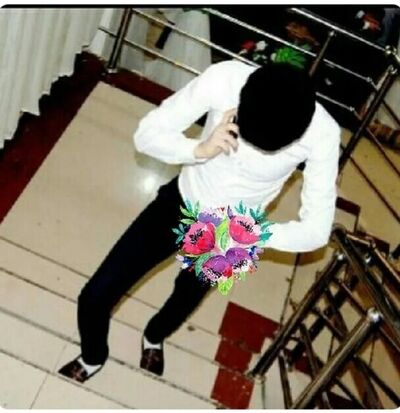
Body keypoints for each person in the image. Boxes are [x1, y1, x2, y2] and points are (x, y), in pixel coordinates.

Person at [58, 61, 341, 382]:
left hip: (232, 232)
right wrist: (199, 149)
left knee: (186, 297)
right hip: (182, 201)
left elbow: (317, 231)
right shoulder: (225, 78)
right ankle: (93, 356)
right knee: (95, 295)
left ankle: (154, 336)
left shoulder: (323, 133)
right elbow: (146, 134)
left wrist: (251, 233)